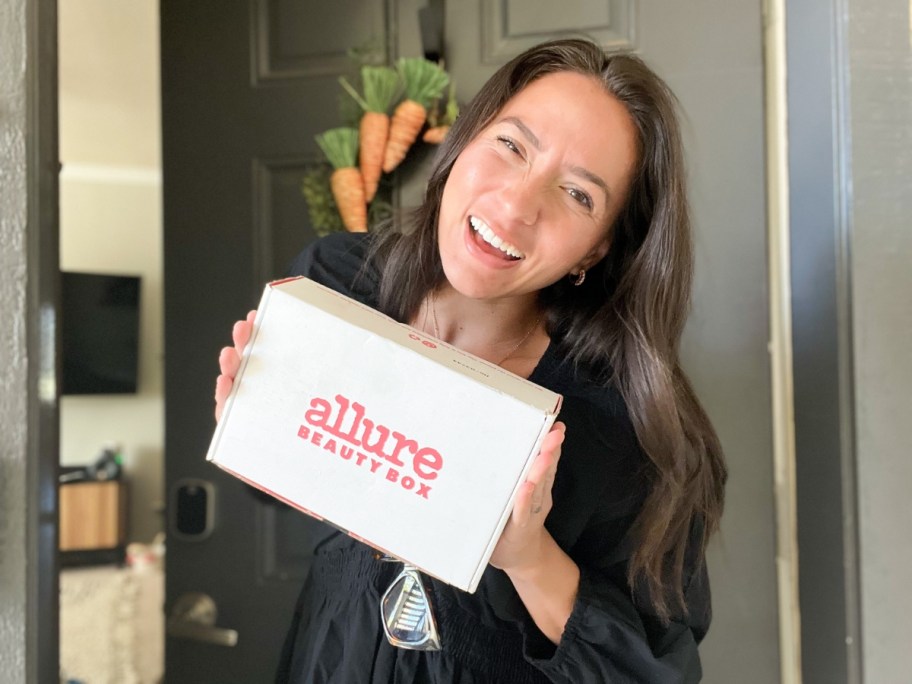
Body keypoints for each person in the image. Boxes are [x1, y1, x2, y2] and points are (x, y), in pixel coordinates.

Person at [214, 38, 726, 684]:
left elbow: (655, 672)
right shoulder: (337, 287)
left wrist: (529, 558)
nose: (516, 205)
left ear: (596, 251)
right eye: (512, 146)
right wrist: (260, 433)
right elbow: (296, 481)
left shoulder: (622, 423)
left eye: (578, 194)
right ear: (465, 139)